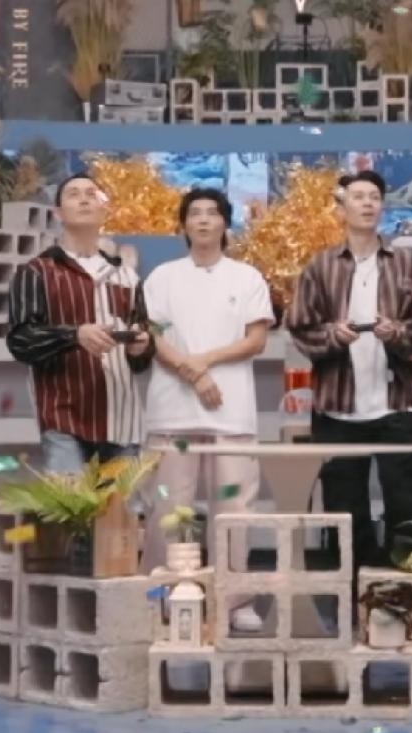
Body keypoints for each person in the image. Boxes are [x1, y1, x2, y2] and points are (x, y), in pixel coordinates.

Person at [286, 169, 412, 569]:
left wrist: (397, 333)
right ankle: (353, 589)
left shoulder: (407, 266)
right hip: (337, 408)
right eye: (358, 196)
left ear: (382, 207)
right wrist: (333, 335)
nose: (368, 203)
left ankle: (411, 588)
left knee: (410, 505)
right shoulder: (320, 266)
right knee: (344, 508)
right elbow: (300, 328)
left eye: (374, 196)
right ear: (342, 208)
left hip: (398, 404)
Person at [142, 190, 271, 628]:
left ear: (224, 224)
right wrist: (192, 373)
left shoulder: (246, 277)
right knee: (168, 509)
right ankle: (160, 597)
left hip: (230, 415)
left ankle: (235, 602)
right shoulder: (162, 277)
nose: (202, 220)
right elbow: (153, 336)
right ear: (182, 225)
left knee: (234, 511)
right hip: (172, 413)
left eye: (212, 213)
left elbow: (256, 340)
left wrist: (205, 361)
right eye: (194, 214)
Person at [6, 174, 153, 473]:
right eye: (74, 194)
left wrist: (140, 349)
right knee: (68, 502)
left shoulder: (127, 276)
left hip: (122, 419)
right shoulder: (37, 272)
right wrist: (75, 335)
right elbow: (21, 340)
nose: (85, 199)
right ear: (58, 213)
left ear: (104, 210)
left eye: (92, 194)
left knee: (119, 505)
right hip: (63, 417)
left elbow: (141, 355)